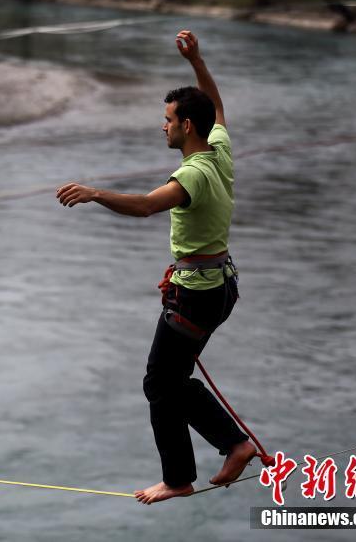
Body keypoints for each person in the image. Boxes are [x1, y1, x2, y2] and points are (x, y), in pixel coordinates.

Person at [56, 30, 257, 505]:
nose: (161, 127)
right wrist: (198, 62)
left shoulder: (193, 174)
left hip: (200, 294)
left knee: (158, 382)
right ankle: (232, 446)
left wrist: (95, 193)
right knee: (172, 379)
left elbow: (147, 206)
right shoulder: (219, 150)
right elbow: (217, 105)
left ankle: (191, 470)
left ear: (187, 126)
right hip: (217, 287)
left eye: (167, 120)